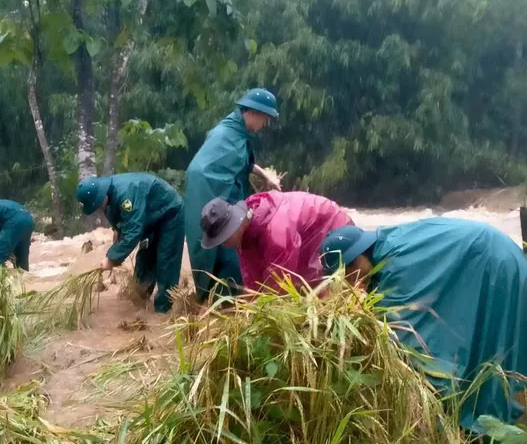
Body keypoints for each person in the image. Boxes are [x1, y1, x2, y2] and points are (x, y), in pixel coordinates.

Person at [318, 218, 527, 433]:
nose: (349, 282)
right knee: (473, 329)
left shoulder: (395, 267)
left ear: (359, 257)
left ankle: (489, 424)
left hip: (494, 261)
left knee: (490, 337)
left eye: (347, 273)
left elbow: (405, 336)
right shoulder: (383, 246)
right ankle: (482, 408)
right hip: (490, 255)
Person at [183, 89, 283, 302]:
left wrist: (265, 175)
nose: (264, 124)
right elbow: (215, 165)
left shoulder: (234, 131)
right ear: (254, 113)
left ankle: (224, 297)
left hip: (218, 187)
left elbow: (241, 160)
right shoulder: (226, 133)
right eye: (265, 119)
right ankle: (223, 302)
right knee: (224, 241)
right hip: (207, 187)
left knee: (229, 238)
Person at [199, 191, 353, 293]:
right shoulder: (245, 227)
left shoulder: (276, 232)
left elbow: (279, 287)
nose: (224, 244)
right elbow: (253, 276)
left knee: (320, 290)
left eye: (225, 238)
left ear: (235, 226)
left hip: (332, 228)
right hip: (302, 232)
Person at [76, 173, 185, 314]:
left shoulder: (126, 194)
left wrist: (112, 258)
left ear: (100, 195)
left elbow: (133, 232)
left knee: (166, 261)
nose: (98, 209)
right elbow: (122, 219)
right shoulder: (108, 196)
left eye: (97, 205)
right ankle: (139, 302)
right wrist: (117, 230)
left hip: (170, 213)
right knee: (144, 259)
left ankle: (164, 311)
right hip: (149, 218)